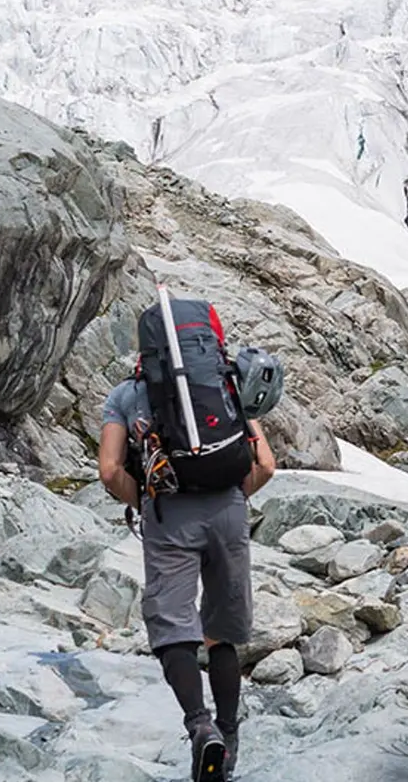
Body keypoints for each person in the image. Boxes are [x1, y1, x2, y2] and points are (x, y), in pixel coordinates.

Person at [98, 299, 281, 782]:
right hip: (227, 510)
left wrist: (147, 501)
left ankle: (200, 728)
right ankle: (229, 732)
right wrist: (234, 499)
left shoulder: (126, 395)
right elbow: (265, 464)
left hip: (167, 514)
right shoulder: (224, 382)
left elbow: (109, 469)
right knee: (220, 627)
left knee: (172, 625)